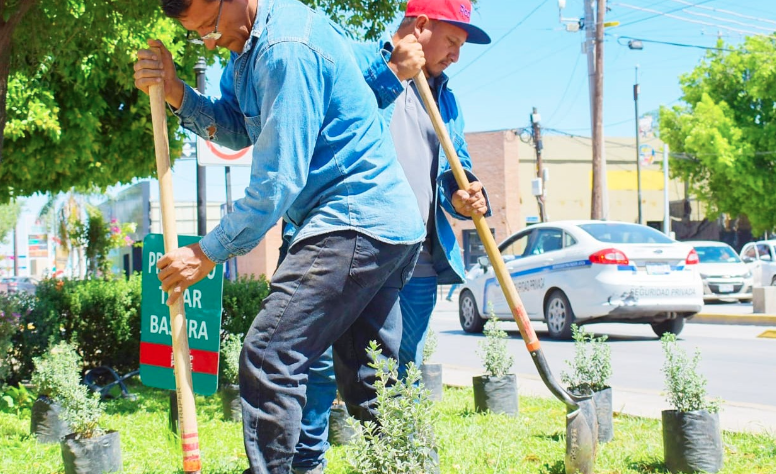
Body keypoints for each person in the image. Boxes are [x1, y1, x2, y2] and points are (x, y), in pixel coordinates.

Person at [128, 0, 481, 472]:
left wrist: (206, 253)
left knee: (270, 354)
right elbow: (235, 128)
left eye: (210, 26)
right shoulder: (247, 51)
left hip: (353, 217)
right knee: (371, 380)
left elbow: (277, 182)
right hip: (380, 225)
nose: (211, 42)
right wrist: (176, 92)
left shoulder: (285, 48)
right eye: (199, 36)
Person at [292, 1, 491, 472]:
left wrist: (462, 195)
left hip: (417, 260)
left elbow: (451, 165)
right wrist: (392, 75)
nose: (456, 57)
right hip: (352, 249)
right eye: (452, 42)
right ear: (421, 25)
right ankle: (302, 467)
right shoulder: (356, 61)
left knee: (400, 375)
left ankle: (409, 464)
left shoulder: (444, 95)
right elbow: (333, 130)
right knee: (317, 370)